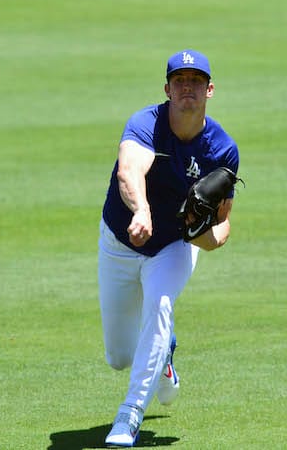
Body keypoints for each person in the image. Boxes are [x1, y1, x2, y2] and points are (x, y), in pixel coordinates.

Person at [98, 50, 240, 447]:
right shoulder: (147, 123)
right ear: (167, 89)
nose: (188, 88)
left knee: (160, 305)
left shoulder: (223, 151)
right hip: (120, 242)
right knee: (119, 356)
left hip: (174, 246)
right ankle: (164, 351)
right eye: (180, 81)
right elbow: (130, 169)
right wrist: (141, 209)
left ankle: (128, 417)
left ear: (210, 90)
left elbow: (223, 225)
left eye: (196, 81)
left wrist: (201, 236)